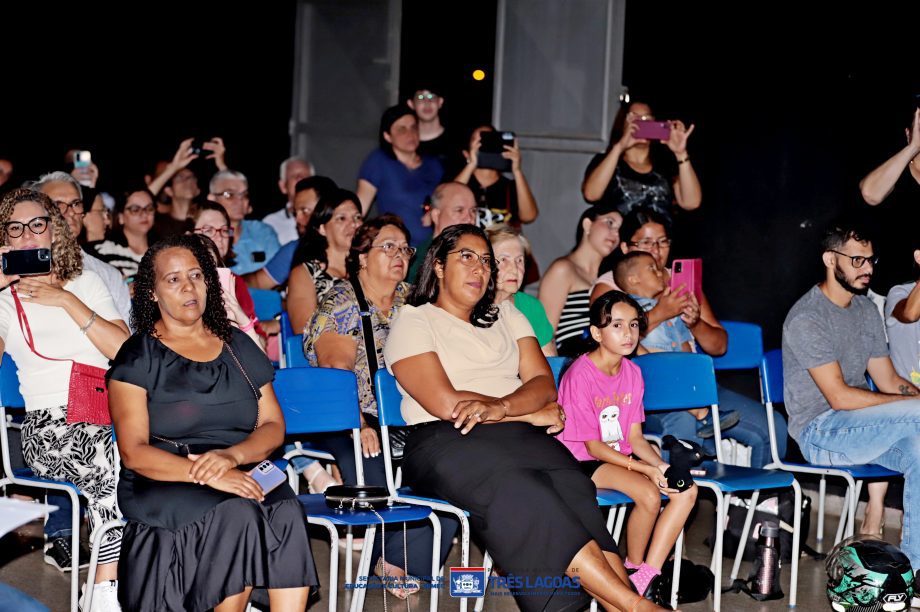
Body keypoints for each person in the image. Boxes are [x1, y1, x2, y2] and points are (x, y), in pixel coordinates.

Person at [385, 223, 670, 612]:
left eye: (486, 260)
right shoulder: (414, 319)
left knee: (574, 487)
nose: (479, 268)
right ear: (437, 266)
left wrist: (503, 408)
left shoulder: (506, 314)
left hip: (516, 434)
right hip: (445, 440)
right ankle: (636, 607)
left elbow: (543, 384)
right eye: (466, 257)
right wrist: (528, 413)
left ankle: (622, 606)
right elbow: (445, 402)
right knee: (523, 491)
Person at [108, 233, 315, 611]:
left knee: (286, 509)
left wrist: (231, 458)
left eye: (197, 275)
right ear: (151, 293)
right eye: (173, 279)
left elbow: (272, 425)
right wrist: (210, 473)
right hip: (166, 475)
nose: (189, 287)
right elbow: (135, 453)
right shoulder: (138, 356)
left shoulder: (235, 344)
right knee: (237, 511)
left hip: (237, 463)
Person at [304, 214, 457, 597]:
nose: (399, 255)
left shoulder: (413, 300)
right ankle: (390, 560)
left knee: (454, 470)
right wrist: (361, 424)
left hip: (408, 415)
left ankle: (400, 561)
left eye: (404, 248)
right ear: (361, 256)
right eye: (387, 246)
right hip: (349, 416)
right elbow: (336, 371)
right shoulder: (341, 300)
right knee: (377, 476)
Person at [0, 188, 130, 610]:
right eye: (15, 228)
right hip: (47, 429)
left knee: (150, 454)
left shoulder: (84, 282)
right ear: (4, 237)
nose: (27, 236)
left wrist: (67, 300)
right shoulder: (4, 300)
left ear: (53, 231)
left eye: (37, 224)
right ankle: (106, 590)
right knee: (116, 460)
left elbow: (123, 351)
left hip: (109, 416)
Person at [595, 208, 786, 468]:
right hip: (647, 395)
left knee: (771, 425)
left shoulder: (681, 282)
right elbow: (610, 341)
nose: (657, 251)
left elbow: (719, 346)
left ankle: (759, 503)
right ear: (627, 247)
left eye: (663, 242)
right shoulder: (610, 286)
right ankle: (676, 497)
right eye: (647, 242)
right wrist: (661, 312)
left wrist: (694, 322)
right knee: (683, 424)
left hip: (698, 387)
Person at [783, 220, 920, 566]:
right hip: (820, 433)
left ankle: (916, 573)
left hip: (860, 428)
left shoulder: (865, 309)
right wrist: (914, 404)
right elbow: (840, 398)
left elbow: (889, 381)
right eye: (857, 260)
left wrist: (914, 397)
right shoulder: (807, 317)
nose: (868, 269)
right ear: (831, 260)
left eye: (871, 260)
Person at [559, 290, 697, 599]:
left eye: (634, 325)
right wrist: (645, 469)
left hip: (617, 458)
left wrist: (661, 466)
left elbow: (634, 437)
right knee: (648, 493)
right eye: (617, 325)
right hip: (578, 461)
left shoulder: (633, 372)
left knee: (686, 489)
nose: (628, 334)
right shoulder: (580, 375)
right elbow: (593, 447)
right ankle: (633, 570)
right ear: (596, 332)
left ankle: (646, 573)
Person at [614, 252, 739, 435]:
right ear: (633, 279)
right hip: (652, 381)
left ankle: (705, 435)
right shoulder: (627, 309)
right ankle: (703, 417)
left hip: (681, 377)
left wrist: (692, 322)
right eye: (652, 269)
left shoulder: (672, 304)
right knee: (685, 406)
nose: (660, 272)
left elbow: (684, 342)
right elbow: (625, 339)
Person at [582, 100, 700, 220]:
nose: (641, 123)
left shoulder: (665, 164)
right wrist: (619, 147)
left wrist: (681, 153)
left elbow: (691, 202)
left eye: (647, 119)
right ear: (623, 123)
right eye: (634, 117)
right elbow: (591, 195)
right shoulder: (607, 161)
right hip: (620, 237)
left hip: (659, 237)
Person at [538, 205, 622, 357]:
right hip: (571, 361)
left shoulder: (612, 277)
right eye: (610, 223)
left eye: (619, 229)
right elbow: (544, 333)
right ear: (587, 225)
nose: (616, 233)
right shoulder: (563, 269)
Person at [356, 104, 443, 247]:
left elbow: (449, 199)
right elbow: (359, 210)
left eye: (414, 127)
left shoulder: (433, 165)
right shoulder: (379, 162)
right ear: (387, 136)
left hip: (431, 247)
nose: (410, 134)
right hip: (397, 247)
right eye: (402, 129)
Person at [287, 189, 362, 334]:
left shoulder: (368, 266)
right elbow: (303, 331)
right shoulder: (305, 273)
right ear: (322, 228)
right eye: (342, 218)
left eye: (357, 217)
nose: (354, 224)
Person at [245, 175, 339, 290]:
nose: (297, 219)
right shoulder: (296, 250)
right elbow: (257, 282)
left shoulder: (359, 247)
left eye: (304, 211)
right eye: (295, 213)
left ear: (327, 209)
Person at [486, 224, 556, 356]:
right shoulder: (469, 306)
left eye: (519, 260)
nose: (514, 269)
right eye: (503, 260)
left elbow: (550, 363)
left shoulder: (531, 307)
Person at [454, 125, 539, 229]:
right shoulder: (459, 181)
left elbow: (529, 217)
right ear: (466, 153)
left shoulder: (509, 186)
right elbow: (448, 202)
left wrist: (517, 170)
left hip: (501, 244)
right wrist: (471, 164)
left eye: (489, 140)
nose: (483, 144)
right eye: (478, 141)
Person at [146, 137, 228, 239]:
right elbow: (143, 199)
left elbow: (232, 198)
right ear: (169, 190)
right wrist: (174, 167)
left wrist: (221, 166)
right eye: (180, 177)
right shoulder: (157, 222)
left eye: (191, 177)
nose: (187, 180)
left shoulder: (205, 220)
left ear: (197, 190)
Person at [208, 170, 280, 275]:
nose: (239, 201)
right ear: (212, 199)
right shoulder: (204, 237)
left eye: (244, 195)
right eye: (229, 195)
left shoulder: (262, 232)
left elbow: (278, 274)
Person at [407, 182, 478, 282]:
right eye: (459, 210)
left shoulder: (480, 256)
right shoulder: (419, 263)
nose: (470, 219)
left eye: (473, 211)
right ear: (436, 215)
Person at [88, 187, 158, 280]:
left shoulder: (162, 251)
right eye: (135, 209)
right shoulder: (102, 251)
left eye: (149, 208)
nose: (144, 214)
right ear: (120, 217)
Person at [263, 157, 314, 246]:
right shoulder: (270, 223)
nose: (300, 179)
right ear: (283, 186)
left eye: (304, 176)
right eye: (295, 176)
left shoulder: (326, 218)